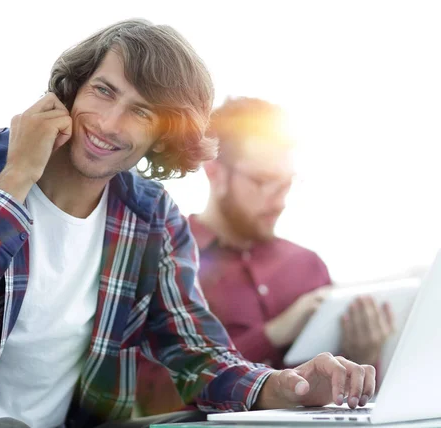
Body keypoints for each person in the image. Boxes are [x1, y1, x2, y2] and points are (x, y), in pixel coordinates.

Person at [0, 21, 375, 428]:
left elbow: (196, 356)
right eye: (103, 91)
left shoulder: (151, 218)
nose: (110, 124)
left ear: (162, 138)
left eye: (142, 112)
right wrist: (17, 179)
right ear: (73, 87)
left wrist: (289, 386)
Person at [136, 97, 394, 416]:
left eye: (285, 184)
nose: (280, 200)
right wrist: (273, 333)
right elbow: (152, 391)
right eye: (262, 181)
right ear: (215, 173)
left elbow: (349, 408)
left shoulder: (308, 266)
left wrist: (363, 357)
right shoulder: (167, 257)